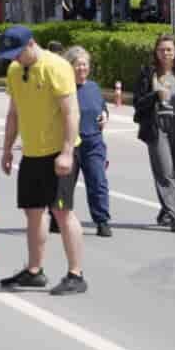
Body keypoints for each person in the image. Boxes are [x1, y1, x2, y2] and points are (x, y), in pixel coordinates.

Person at [0, 25, 87, 295]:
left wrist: (67, 152)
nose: (14, 59)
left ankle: (76, 274)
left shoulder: (56, 67)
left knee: (62, 211)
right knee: (32, 212)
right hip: (32, 152)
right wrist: (7, 149)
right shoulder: (15, 70)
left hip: (58, 153)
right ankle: (34, 271)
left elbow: (71, 113)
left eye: (17, 53)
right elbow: (13, 113)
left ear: (31, 44)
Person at [133, 33, 175, 233]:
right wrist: (155, 95)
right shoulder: (148, 74)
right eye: (162, 49)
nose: (165, 53)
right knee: (164, 172)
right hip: (156, 125)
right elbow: (138, 103)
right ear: (156, 51)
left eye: (169, 49)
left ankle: (167, 210)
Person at [66, 46, 112, 238]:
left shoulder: (93, 87)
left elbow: (101, 107)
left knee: (98, 182)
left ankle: (102, 221)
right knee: (64, 185)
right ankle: (57, 217)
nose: (82, 68)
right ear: (69, 67)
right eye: (78, 65)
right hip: (68, 143)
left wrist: (104, 115)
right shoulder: (63, 88)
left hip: (93, 142)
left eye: (85, 64)